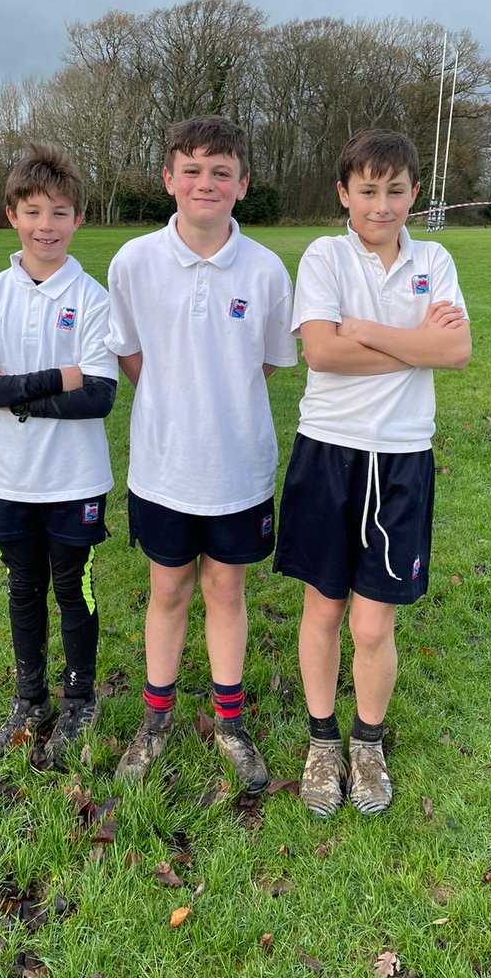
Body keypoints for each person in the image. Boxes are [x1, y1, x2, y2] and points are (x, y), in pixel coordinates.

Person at [273, 128, 471, 816]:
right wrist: (419, 345)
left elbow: (459, 350)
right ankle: (323, 741)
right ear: (344, 194)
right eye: (367, 191)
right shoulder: (325, 255)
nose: (380, 205)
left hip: (403, 457)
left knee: (372, 624)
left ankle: (367, 743)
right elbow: (323, 354)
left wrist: (369, 330)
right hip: (329, 450)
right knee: (324, 609)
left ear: (414, 193)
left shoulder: (435, 258)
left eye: (394, 191)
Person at [106, 115, 296, 792]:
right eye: (191, 170)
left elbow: (268, 362)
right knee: (167, 589)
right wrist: (172, 399)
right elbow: (129, 353)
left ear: (242, 184)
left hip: (238, 467)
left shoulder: (268, 270)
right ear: (168, 179)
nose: (205, 183)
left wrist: (218, 401)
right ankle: (156, 720)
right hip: (163, 465)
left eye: (221, 172)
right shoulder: (132, 261)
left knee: (226, 587)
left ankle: (229, 720)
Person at [0, 143, 117, 766]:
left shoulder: (95, 299)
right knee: (23, 589)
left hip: (75, 478)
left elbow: (99, 396)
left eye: (58, 213)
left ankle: (80, 699)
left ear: (78, 219)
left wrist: (14, 389)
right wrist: (54, 378)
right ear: (11, 216)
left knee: (73, 590)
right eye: (33, 212)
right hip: (11, 477)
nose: (45, 226)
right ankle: (32, 700)